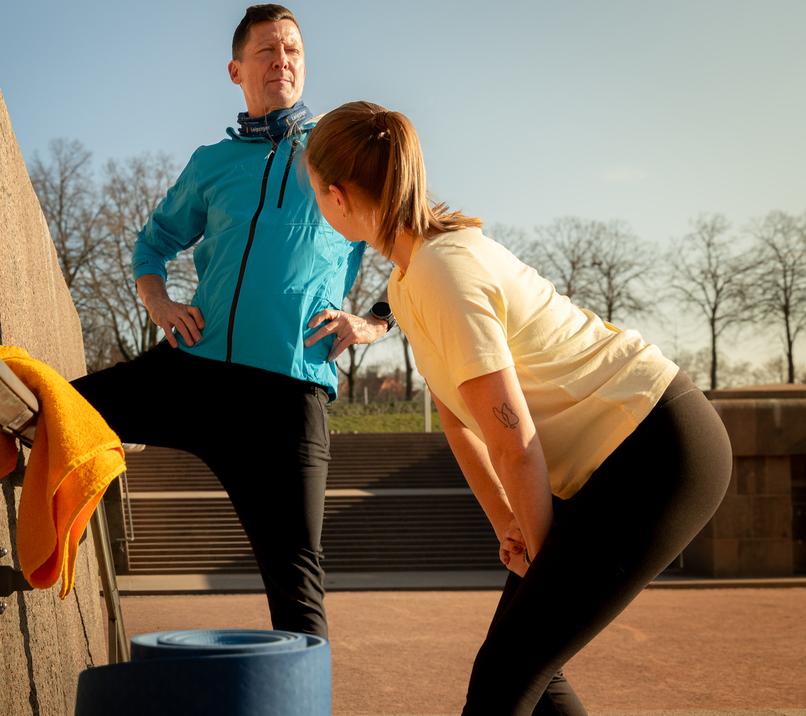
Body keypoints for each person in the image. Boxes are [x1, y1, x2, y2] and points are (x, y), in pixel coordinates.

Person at [302, 101, 732, 715]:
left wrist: (538, 546)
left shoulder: (442, 272)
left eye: (314, 190)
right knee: (528, 670)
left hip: (655, 449)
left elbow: (513, 439)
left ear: (338, 196)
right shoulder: (407, 280)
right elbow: (459, 421)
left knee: (506, 676)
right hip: (608, 459)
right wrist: (508, 520)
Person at [70, 8, 392, 639]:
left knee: (297, 590)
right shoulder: (212, 163)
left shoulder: (340, 154)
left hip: (288, 397)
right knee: (57, 411)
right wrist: (160, 303)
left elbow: (416, 241)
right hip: (196, 371)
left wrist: (374, 323)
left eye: (293, 49)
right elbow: (152, 244)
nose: (282, 60)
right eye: (267, 50)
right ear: (236, 69)